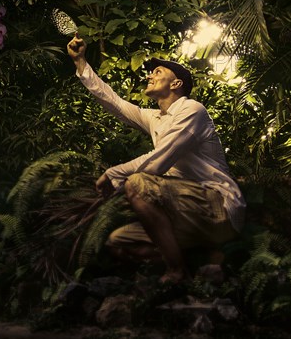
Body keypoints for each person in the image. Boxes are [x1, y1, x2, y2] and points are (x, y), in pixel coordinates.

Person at [67, 36, 245, 284]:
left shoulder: (192, 110)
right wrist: (81, 62)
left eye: (157, 72)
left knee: (137, 183)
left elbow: (160, 160)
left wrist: (114, 173)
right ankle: (199, 259)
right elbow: (114, 103)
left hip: (217, 205)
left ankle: (177, 272)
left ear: (176, 83)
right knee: (119, 242)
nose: (150, 75)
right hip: (181, 209)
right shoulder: (155, 118)